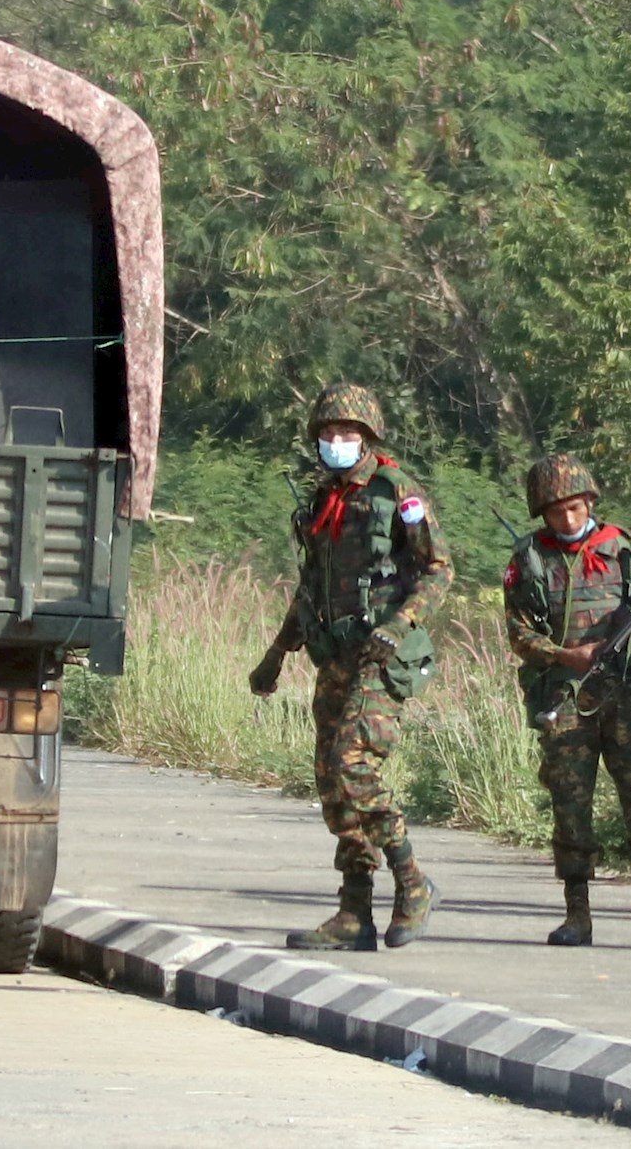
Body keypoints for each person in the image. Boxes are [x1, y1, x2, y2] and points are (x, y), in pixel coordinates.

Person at [250, 383, 452, 951]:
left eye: (348, 433)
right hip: (333, 656)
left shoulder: (396, 493)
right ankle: (354, 912)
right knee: (332, 784)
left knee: (353, 762)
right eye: (329, 434)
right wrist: (275, 654)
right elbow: (310, 587)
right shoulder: (320, 502)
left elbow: (439, 570)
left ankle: (412, 880)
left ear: (368, 438)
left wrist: (400, 623)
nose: (337, 441)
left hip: (382, 657)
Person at [503, 455, 631, 950]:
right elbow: (518, 632)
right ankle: (577, 913)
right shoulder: (530, 560)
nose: (567, 518)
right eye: (556, 511)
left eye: (574, 506)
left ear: (590, 500)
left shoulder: (625, 550)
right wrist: (566, 653)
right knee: (570, 803)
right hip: (565, 697)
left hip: (627, 695)